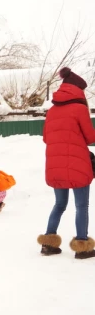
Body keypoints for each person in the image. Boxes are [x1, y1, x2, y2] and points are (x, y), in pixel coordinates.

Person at [37, 67, 95, 259]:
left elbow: (46, 137)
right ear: (78, 90)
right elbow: (90, 138)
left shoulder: (52, 111)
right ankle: (82, 247)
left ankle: (48, 244)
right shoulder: (79, 109)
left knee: (59, 204)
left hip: (56, 167)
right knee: (81, 206)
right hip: (78, 165)